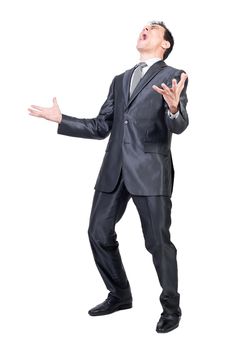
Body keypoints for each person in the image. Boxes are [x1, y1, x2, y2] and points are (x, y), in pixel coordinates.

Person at [28, 20, 189, 333]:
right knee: (98, 232)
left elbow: (179, 125)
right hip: (114, 169)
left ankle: (171, 307)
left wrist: (173, 109)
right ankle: (120, 294)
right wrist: (62, 119)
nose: (145, 29)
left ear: (165, 43)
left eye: (154, 28)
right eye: (144, 26)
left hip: (150, 171)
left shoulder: (174, 76)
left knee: (158, 242)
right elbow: (102, 126)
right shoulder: (120, 79)